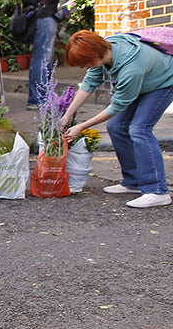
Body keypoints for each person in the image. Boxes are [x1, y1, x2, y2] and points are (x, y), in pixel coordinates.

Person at [60, 30, 173, 208]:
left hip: (164, 82)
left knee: (139, 129)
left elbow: (116, 106)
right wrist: (67, 114)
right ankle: (133, 181)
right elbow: (89, 84)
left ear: (94, 55)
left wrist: (81, 126)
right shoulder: (104, 49)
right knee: (116, 126)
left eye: (85, 63)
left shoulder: (131, 68)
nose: (84, 67)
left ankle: (157, 191)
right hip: (145, 80)